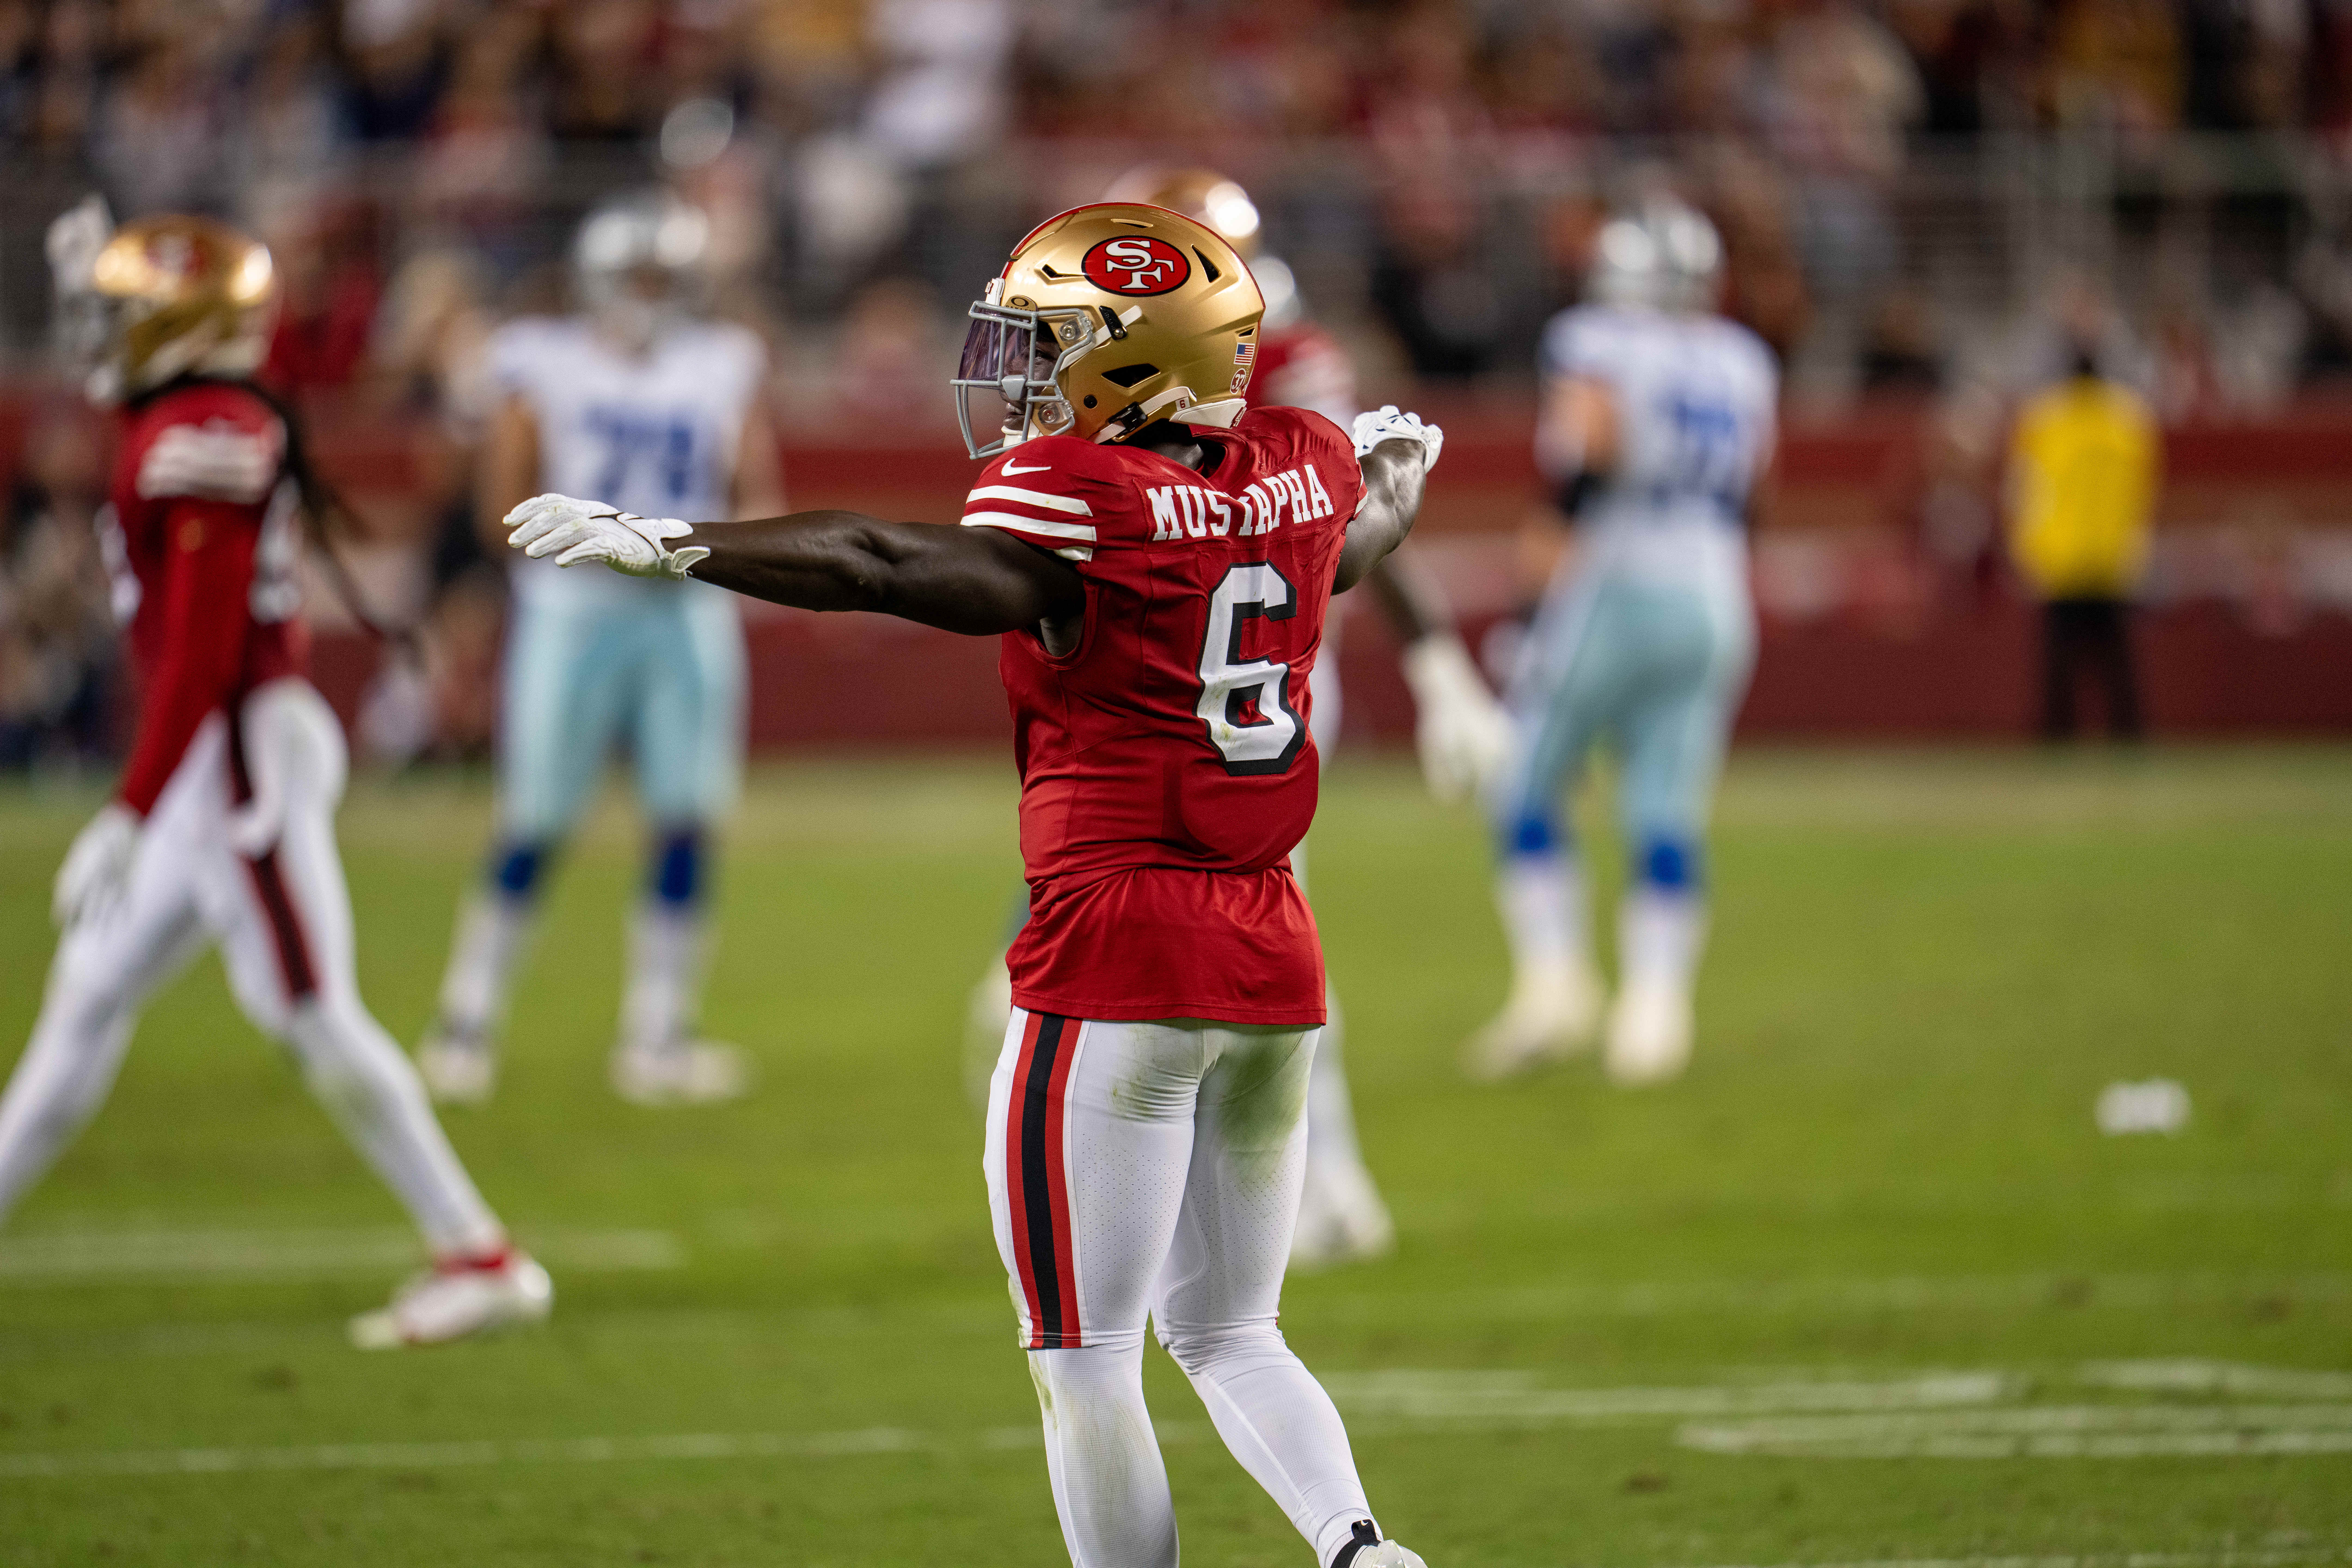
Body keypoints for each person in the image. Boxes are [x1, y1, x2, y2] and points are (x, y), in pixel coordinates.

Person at [509, 201, 1435, 1568]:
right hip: (1271, 951)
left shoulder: (1093, 494)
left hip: (1117, 946)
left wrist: (679, 542)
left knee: (1085, 1356)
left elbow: (885, 564)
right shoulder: (1301, 460)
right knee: (1236, 1330)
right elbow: (1348, 549)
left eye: (1054, 343)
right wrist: (1397, 493)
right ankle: (1364, 1554)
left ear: (1132, 359)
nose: (1021, 371)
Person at [3, 199, 548, 1349]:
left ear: (179, 330)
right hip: (212, 754)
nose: (98, 334)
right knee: (88, 997)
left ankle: (483, 1255)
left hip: (237, 758)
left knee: (310, 1013)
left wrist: (132, 808)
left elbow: (202, 651)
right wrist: (91, 264)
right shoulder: (190, 407)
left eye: (120, 314)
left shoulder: (202, 426)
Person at [957, 168, 1506, 1270]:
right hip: (1179, 676)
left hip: (1234, 687)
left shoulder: (1270, 359)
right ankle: (1252, 1185)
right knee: (1198, 936)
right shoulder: (1163, 364)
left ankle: (1313, 1185)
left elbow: (1356, 508)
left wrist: (1443, 666)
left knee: (1248, 936)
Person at [415, 190, 784, 1107]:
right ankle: (466, 1020)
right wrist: (590, 542)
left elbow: (758, 493)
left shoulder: (720, 364)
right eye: (639, 276)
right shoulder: (544, 361)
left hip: (686, 605)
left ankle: (658, 1035)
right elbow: (500, 502)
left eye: (668, 276)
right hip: (573, 605)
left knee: (686, 814)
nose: (654, 292)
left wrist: (693, 551)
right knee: (535, 815)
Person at [1468, 198, 1777, 1088]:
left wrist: (1530, 612)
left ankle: (1554, 986)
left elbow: (1585, 465)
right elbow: (1756, 494)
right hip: (1716, 587)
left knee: (1524, 781)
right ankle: (1656, 1011)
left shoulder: (1596, 340)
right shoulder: (1742, 359)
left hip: (1616, 578)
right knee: (1666, 809)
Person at [2007, 348, 2158, 740]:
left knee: (2060, 660)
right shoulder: (2129, 420)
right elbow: (2144, 491)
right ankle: (2129, 734)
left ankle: (2060, 734)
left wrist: (2027, 547)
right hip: (2113, 555)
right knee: (2118, 657)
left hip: (2063, 555)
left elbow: (2028, 489)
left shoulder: (2045, 420)